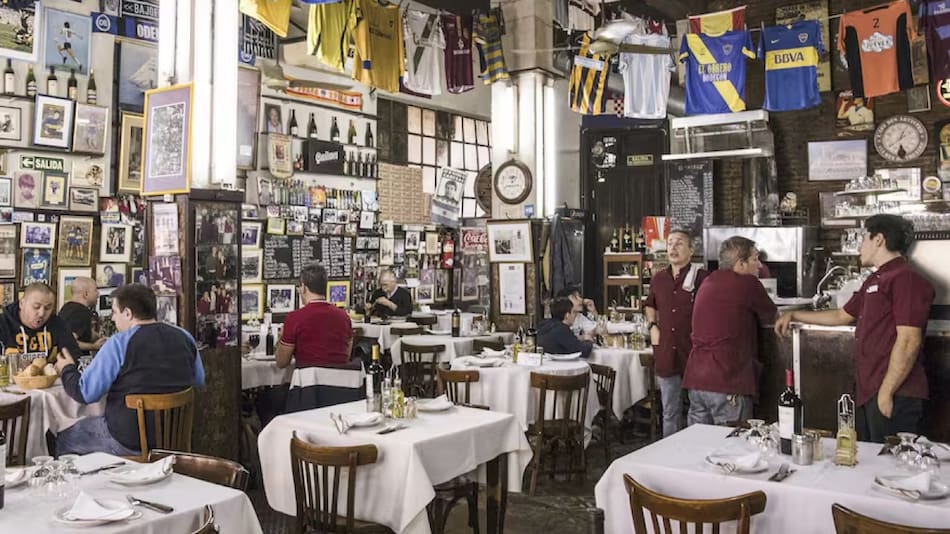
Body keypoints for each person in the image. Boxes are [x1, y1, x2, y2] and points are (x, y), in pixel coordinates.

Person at [775, 215, 934, 442]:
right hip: (870, 390)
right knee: (868, 465)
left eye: (863, 239)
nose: (860, 246)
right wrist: (794, 314)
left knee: (892, 467)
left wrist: (887, 391)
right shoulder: (875, 279)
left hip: (896, 392)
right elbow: (842, 315)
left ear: (878, 239)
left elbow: (909, 339)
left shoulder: (905, 278)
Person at [55, 284, 205, 456]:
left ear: (128, 313)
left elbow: (85, 393)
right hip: (176, 440)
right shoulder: (184, 336)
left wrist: (67, 368)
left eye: (114, 312)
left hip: (129, 442)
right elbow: (199, 381)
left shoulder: (119, 343)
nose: (112, 318)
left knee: (63, 437)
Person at [682, 236, 778, 426]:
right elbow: (772, 317)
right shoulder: (748, 284)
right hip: (728, 381)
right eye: (754, 259)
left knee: (697, 450)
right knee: (734, 451)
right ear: (740, 264)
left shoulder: (708, 281)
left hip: (697, 380)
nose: (759, 265)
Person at [644, 230, 707, 436]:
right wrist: (652, 325)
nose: (673, 248)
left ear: (691, 250)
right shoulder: (659, 278)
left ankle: (693, 456)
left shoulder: (701, 278)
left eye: (679, 243)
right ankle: (669, 458)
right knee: (670, 411)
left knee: (698, 412)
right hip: (667, 353)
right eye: (670, 243)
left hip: (693, 353)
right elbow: (650, 304)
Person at [277, 264, 353, 369]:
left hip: (307, 382)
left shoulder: (294, 318)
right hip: (340, 382)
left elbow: (281, 362)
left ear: (303, 287)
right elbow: (346, 355)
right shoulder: (344, 317)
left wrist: (281, 337)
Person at [0, 282, 81, 364]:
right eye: (36, 307)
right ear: (22, 304)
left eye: (47, 308)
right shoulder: (3, 323)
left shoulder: (58, 324)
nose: (42, 313)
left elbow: (74, 357)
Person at [59, 277, 106, 355]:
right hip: (76, 361)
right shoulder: (82, 312)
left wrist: (97, 336)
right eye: (95, 290)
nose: (98, 294)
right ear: (86, 294)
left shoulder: (66, 307)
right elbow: (69, 342)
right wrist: (94, 346)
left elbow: (79, 331)